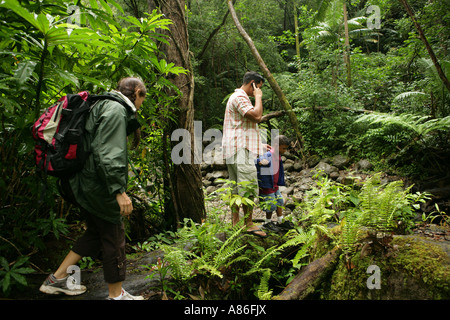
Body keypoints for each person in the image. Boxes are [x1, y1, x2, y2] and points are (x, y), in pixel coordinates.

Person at [39, 77, 146, 300]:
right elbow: (107, 153)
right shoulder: (116, 109)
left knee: (97, 232)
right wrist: (119, 191)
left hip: (82, 180)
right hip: (95, 183)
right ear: (136, 92)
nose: (142, 103)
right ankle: (116, 295)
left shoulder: (102, 104)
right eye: (142, 97)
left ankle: (56, 279)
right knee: (114, 233)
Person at [222, 71, 268, 238]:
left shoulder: (235, 98)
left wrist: (260, 144)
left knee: (235, 187)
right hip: (240, 149)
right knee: (248, 185)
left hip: (234, 147)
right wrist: (259, 97)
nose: (258, 90)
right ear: (253, 84)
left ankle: (235, 222)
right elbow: (257, 116)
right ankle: (248, 223)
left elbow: (240, 126)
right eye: (258, 87)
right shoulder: (241, 97)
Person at [255, 135, 292, 232]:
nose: (285, 151)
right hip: (267, 185)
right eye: (283, 148)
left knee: (279, 202)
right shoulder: (268, 155)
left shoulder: (278, 155)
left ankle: (280, 220)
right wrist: (260, 162)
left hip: (275, 185)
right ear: (276, 145)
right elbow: (256, 162)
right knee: (270, 204)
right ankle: (267, 222)